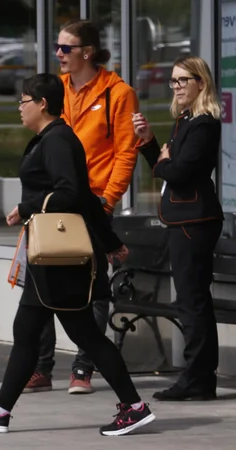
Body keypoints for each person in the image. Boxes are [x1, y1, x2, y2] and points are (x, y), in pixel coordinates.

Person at [0, 74, 155, 436]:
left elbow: (73, 193)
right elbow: (86, 199)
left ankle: (135, 406)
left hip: (61, 259)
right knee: (31, 331)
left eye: (23, 100)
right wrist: (111, 243)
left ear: (42, 103)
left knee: (82, 336)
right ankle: (0, 409)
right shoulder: (51, 139)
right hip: (49, 258)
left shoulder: (58, 140)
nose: (19, 107)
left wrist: (26, 206)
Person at [25, 19, 140, 395]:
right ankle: (40, 368)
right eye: (57, 47)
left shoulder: (116, 93)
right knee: (38, 279)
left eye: (65, 48)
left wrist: (107, 199)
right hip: (56, 204)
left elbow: (125, 151)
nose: (58, 54)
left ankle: (82, 367)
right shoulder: (56, 91)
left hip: (91, 204)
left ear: (86, 52)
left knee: (90, 285)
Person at [132, 55, 224, 401]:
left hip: (194, 221)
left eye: (184, 80)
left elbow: (180, 173)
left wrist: (167, 161)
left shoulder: (203, 123)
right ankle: (198, 378)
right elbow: (167, 166)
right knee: (190, 300)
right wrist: (150, 142)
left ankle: (197, 377)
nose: (177, 87)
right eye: (173, 81)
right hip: (184, 219)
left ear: (202, 82)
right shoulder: (184, 120)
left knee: (192, 302)